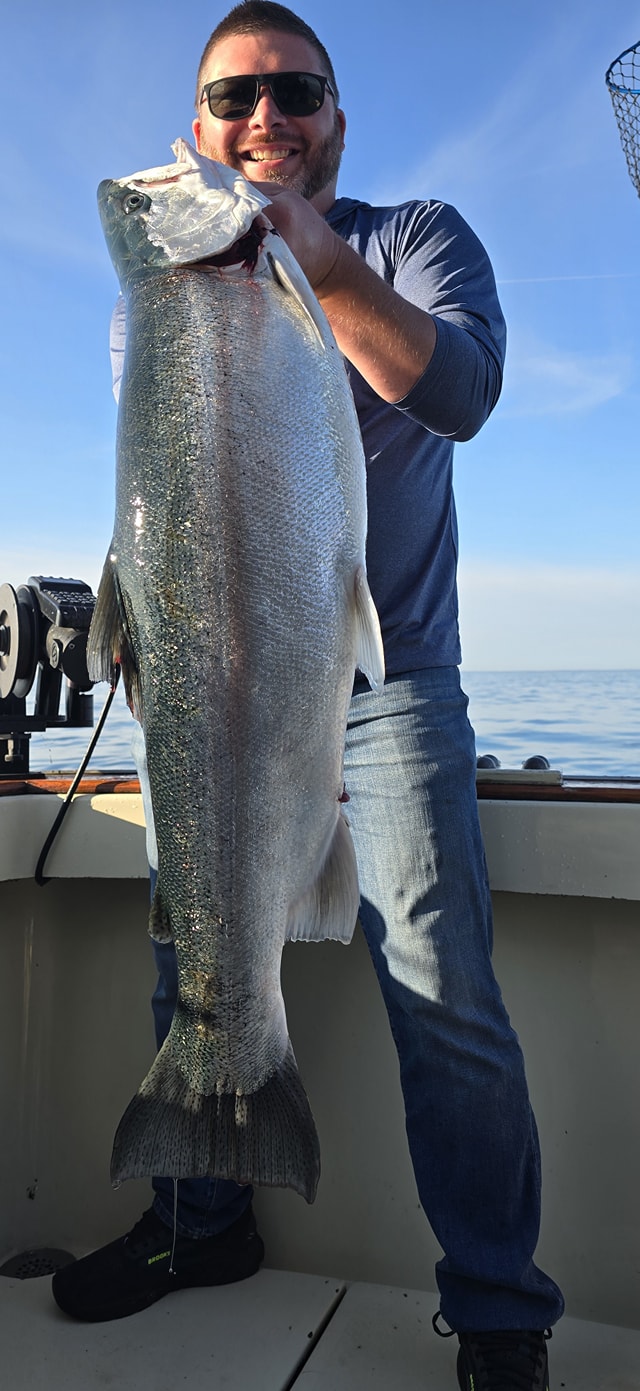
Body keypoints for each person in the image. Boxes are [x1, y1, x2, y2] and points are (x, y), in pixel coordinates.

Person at [53, 4, 564, 1385]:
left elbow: (456, 391)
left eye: (295, 91)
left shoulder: (416, 237)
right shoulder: (156, 293)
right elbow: (166, 497)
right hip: (214, 677)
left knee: (442, 992)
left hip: (391, 684)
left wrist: (316, 259)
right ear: (199, 125)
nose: (264, 117)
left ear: (339, 115)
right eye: (234, 99)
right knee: (194, 955)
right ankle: (197, 1222)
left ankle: (503, 1311)